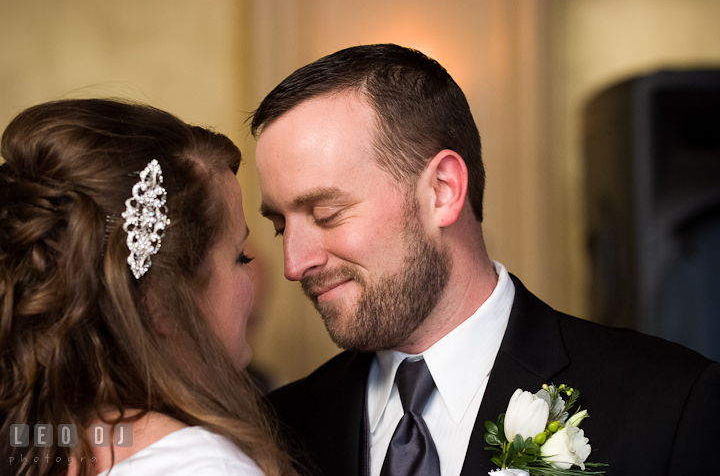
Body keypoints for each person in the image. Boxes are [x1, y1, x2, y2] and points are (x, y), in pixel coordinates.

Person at [249, 44, 720, 475]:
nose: (295, 263)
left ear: (443, 190)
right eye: (279, 225)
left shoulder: (667, 403)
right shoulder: (278, 430)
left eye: (326, 214)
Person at [0, 99, 298, 476]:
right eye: (241, 257)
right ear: (160, 305)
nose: (289, 270)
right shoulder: (204, 467)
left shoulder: (34, 447)